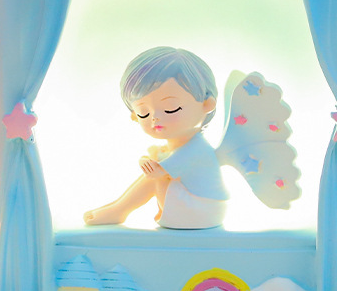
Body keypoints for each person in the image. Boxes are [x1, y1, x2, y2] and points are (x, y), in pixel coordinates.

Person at [83, 47, 229, 229]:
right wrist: (147, 162)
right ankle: (117, 208)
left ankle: (119, 210)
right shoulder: (177, 147)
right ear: (134, 115)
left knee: (155, 179)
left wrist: (149, 165)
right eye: (143, 113)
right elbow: (159, 165)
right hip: (200, 207)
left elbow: (157, 172)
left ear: (207, 105)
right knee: (155, 178)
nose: (155, 118)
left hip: (203, 210)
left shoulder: (196, 148)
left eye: (171, 109)